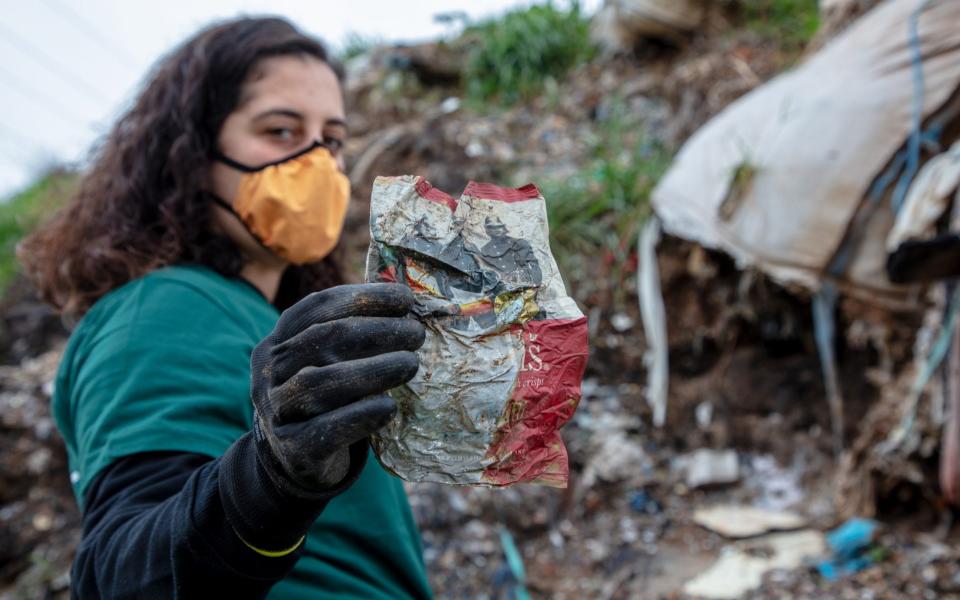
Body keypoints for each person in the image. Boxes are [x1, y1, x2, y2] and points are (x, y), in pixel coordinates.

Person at [18, 17, 433, 599]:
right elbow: (124, 578)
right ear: (191, 150)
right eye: (281, 130)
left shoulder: (269, 320)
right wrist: (270, 480)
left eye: (332, 139)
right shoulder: (162, 307)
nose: (317, 162)